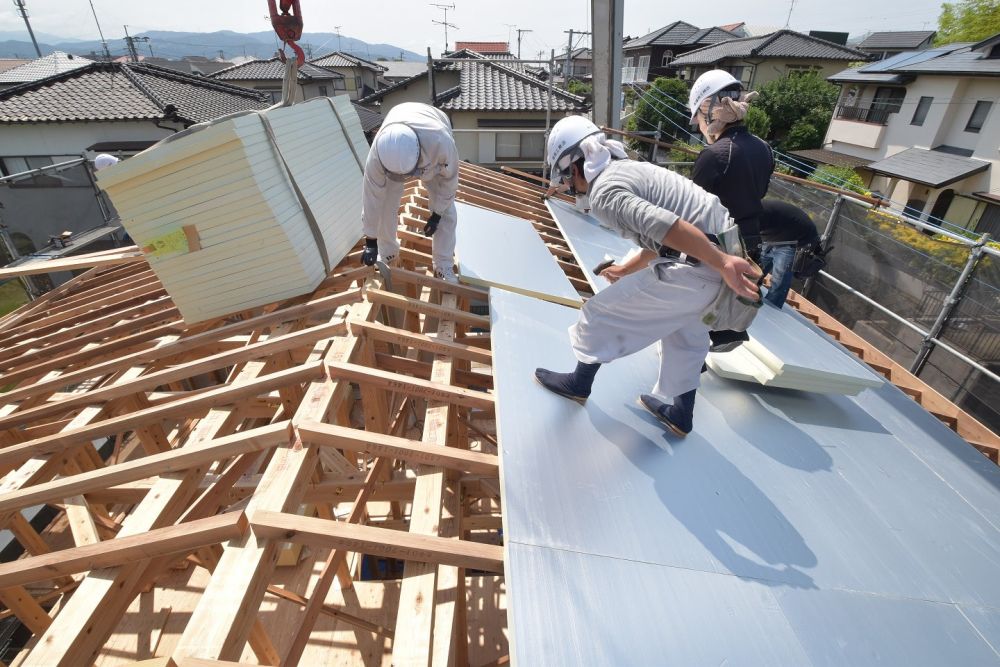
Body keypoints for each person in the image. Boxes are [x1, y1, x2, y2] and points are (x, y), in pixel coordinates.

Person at [533, 116, 760, 437]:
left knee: (599, 314)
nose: (571, 188)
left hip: (706, 263)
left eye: (567, 179)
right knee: (687, 336)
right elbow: (667, 236)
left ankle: (578, 383)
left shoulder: (605, 193)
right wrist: (626, 269)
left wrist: (721, 261)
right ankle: (682, 413)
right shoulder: (628, 171)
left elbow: (666, 226)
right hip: (714, 258)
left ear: (574, 166)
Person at [689, 70, 774, 352]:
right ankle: (720, 338)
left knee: (695, 310)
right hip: (751, 240)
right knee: (722, 308)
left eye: (698, 118)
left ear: (709, 111)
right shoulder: (764, 149)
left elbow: (692, 206)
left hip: (718, 244)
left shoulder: (714, 155)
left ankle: (689, 366)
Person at [361, 102, 460, 282]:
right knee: (385, 202)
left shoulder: (441, 144)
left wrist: (436, 215)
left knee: (447, 211)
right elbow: (372, 200)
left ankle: (443, 265)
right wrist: (370, 241)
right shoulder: (377, 156)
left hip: (433, 122)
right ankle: (387, 251)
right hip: (398, 114)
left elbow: (449, 184)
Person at [758, 199, 821, 309]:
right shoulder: (752, 210)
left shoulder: (754, 212)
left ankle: (772, 309)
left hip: (794, 240)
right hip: (775, 235)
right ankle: (749, 293)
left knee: (779, 279)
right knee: (757, 268)